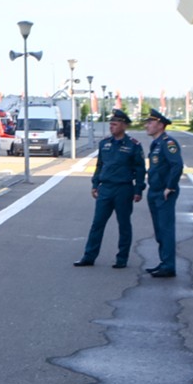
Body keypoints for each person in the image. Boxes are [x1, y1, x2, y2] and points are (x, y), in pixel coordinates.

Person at [74, 109, 143, 267]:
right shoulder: (104, 143)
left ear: (124, 125)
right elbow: (100, 165)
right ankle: (89, 256)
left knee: (124, 225)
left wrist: (138, 189)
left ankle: (122, 258)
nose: (111, 126)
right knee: (97, 224)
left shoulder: (133, 145)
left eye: (115, 124)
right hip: (105, 188)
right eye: (110, 123)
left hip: (123, 189)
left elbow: (140, 169)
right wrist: (95, 184)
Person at [144, 108, 184, 277]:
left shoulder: (168, 143)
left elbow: (177, 165)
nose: (147, 125)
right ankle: (164, 262)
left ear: (160, 125)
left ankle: (168, 266)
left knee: (165, 230)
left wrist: (170, 186)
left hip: (163, 192)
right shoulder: (157, 144)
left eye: (150, 122)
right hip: (154, 191)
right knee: (160, 230)